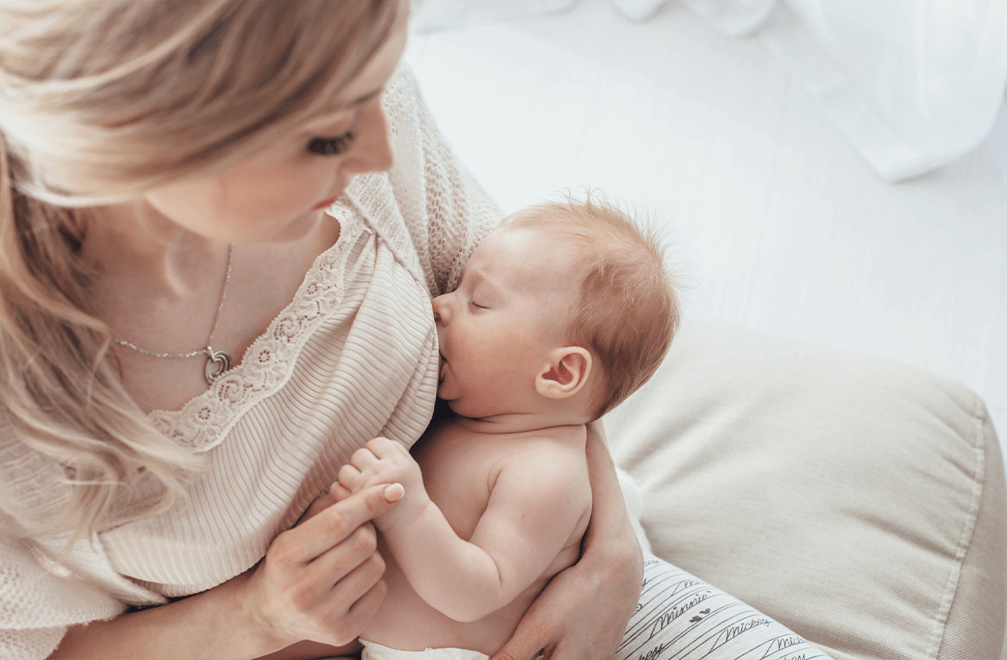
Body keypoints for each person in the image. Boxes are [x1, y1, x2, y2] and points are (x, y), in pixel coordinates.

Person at [0, 2, 833, 659]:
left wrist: (613, 552)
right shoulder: (21, 420)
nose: (379, 150)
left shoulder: (345, 75)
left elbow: (554, 332)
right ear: (150, 140)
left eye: (379, 84)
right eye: (326, 134)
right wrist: (253, 619)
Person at [333, 198, 679, 660]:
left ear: (558, 374)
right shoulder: (476, 417)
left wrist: (407, 510)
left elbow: (473, 594)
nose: (439, 305)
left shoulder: (544, 472)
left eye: (477, 301)